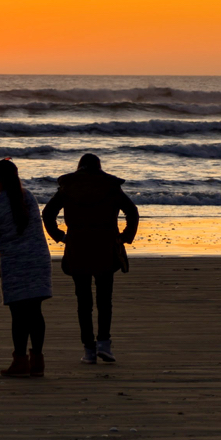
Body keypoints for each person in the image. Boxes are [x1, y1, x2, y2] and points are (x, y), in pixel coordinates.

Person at [42, 153, 138, 364]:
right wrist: (124, 237)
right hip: (106, 246)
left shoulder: (68, 187)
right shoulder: (110, 186)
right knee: (105, 299)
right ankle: (104, 343)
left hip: (78, 247)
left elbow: (48, 214)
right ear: (99, 167)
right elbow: (132, 211)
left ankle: (89, 349)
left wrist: (60, 236)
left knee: (83, 301)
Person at [0, 159, 53, 377]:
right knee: (35, 312)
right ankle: (37, 361)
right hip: (38, 260)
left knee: (19, 315)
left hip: (15, 263)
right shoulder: (28, 197)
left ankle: (20, 361)